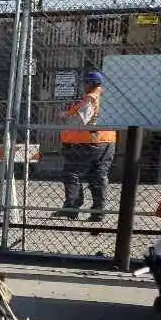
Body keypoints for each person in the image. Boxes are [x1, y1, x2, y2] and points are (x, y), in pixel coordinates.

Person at [54, 70, 114, 221]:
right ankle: (98, 212)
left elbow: (81, 121)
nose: (84, 85)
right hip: (107, 141)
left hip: (86, 142)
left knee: (72, 173)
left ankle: (71, 207)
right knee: (98, 175)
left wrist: (64, 117)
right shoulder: (107, 98)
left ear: (93, 84)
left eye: (86, 82)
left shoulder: (91, 98)